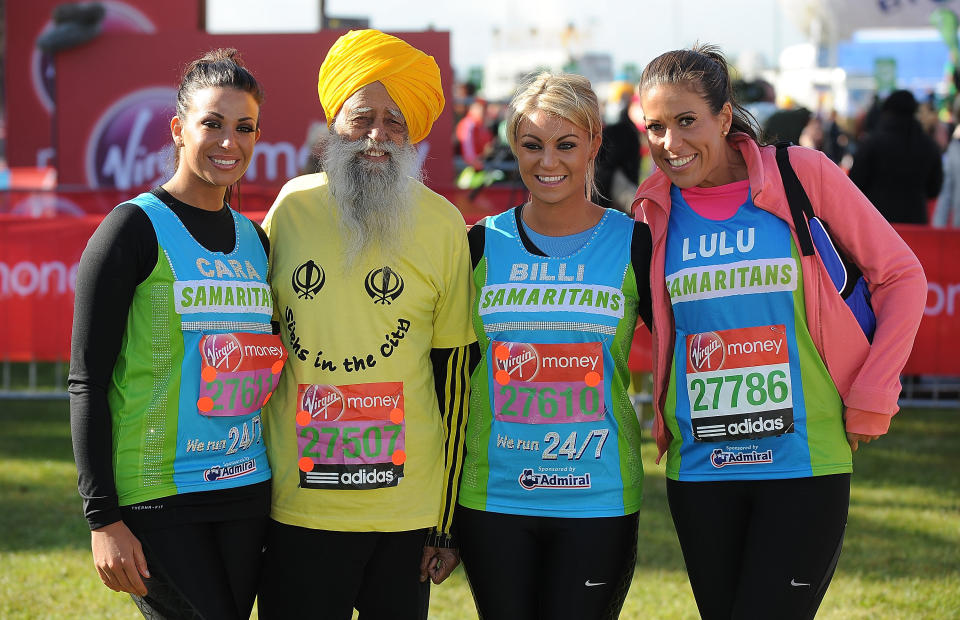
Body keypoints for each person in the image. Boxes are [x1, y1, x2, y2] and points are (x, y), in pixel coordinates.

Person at [635, 45, 926, 620]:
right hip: (702, 467)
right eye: (656, 127)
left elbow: (900, 275)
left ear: (723, 118)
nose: (671, 143)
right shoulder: (653, 208)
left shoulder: (800, 174)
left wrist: (874, 391)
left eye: (687, 121)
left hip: (803, 458)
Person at [256, 29, 475, 620]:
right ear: (334, 124)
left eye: (395, 121)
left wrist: (447, 522)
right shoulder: (291, 209)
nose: (378, 134)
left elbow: (454, 382)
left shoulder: (444, 225)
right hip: (299, 505)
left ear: (414, 134)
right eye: (361, 117)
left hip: (405, 509)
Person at [69, 49, 283, 619]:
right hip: (157, 495)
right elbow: (86, 380)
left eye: (244, 128)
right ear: (178, 128)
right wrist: (103, 519)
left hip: (245, 487)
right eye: (212, 123)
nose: (227, 143)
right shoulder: (132, 229)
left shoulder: (257, 243)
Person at [456, 71, 653, 620]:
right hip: (495, 496)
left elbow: (689, 342)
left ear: (594, 143)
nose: (549, 162)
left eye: (566, 145)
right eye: (532, 145)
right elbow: (448, 371)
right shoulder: (479, 243)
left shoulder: (634, 241)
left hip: (598, 495)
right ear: (513, 147)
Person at [849, 89, 943, 224]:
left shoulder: (872, 143)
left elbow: (855, 184)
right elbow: (934, 189)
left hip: (878, 222)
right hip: (916, 222)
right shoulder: (929, 145)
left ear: (887, 111)